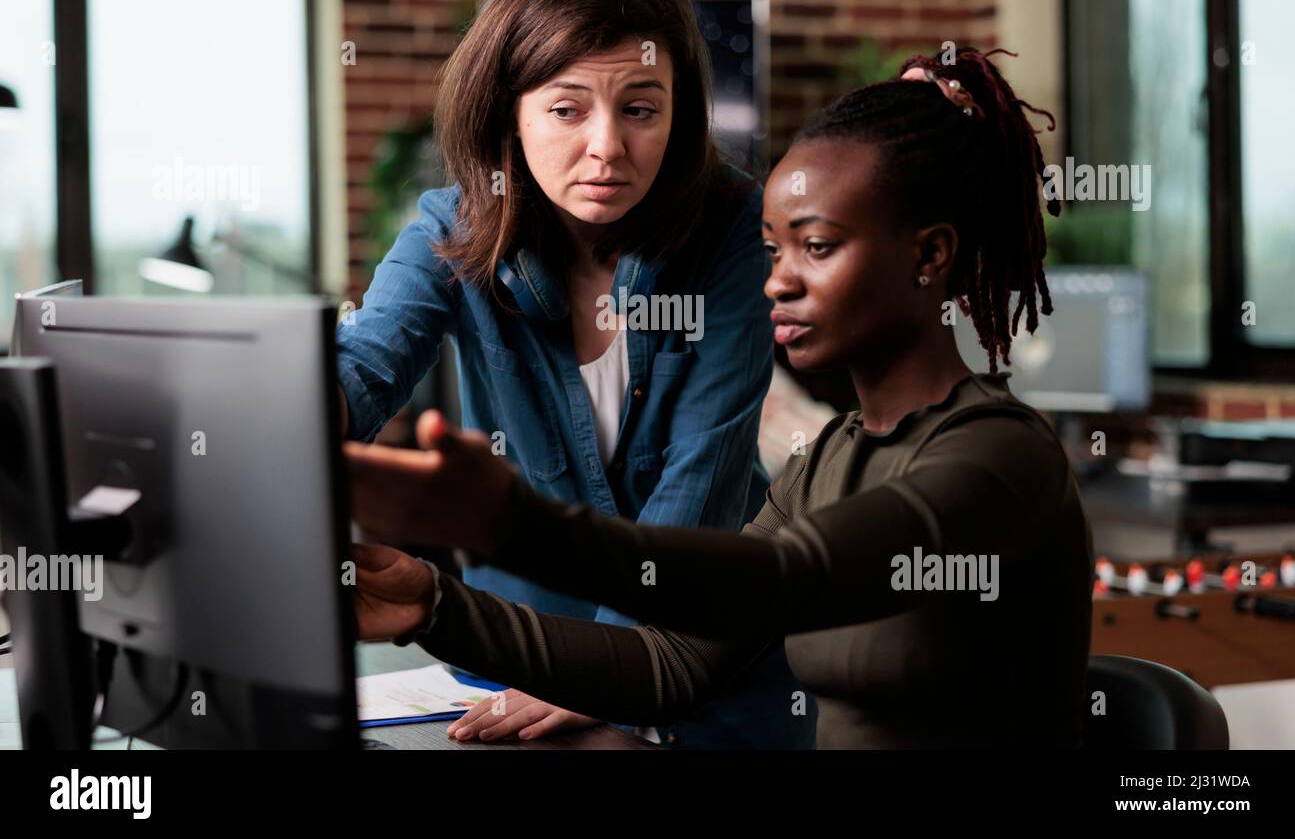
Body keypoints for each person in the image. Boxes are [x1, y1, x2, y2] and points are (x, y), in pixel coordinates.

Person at [346, 48, 1095, 749]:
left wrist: (511, 524)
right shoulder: (828, 459)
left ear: (929, 255)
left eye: (818, 247)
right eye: (774, 251)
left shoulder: (1000, 453)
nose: (777, 282)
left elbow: (790, 577)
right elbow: (668, 662)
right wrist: (434, 608)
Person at [334, 0, 810, 749]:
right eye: (566, 109)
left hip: (704, 664)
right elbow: (362, 374)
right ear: (508, 114)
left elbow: (699, 483)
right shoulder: (451, 228)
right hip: (513, 660)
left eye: (640, 108)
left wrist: (608, 669)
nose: (607, 148)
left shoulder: (734, 226)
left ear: (678, 112)